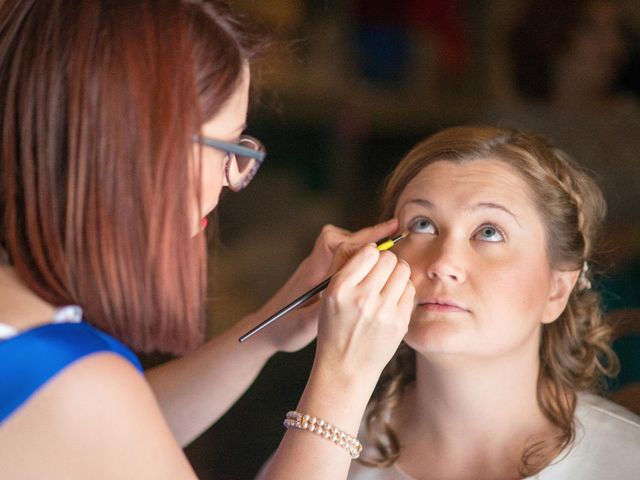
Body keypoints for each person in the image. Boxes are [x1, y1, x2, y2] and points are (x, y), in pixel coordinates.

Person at [0, 1, 415, 478]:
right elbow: (100, 418)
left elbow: (121, 432)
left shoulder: (29, 330)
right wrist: (345, 374)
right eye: (230, 148)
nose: (230, 181)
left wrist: (266, 331)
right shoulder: (75, 383)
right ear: (140, 142)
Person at [340, 125, 640, 479]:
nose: (442, 264)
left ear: (557, 289)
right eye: (423, 224)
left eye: (489, 232)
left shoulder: (625, 461)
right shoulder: (326, 445)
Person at [487, 0, 640, 267]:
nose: (613, 46)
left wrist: (631, 238)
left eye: (619, 31)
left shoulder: (629, 117)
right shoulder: (510, 125)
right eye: (591, 28)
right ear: (552, 35)